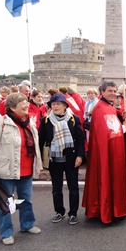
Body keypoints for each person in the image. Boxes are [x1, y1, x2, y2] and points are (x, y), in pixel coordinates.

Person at [0, 93, 43, 245]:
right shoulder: (0, 123)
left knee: (26, 200)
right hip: (6, 171)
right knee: (6, 203)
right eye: (21, 102)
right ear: (11, 107)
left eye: (26, 101)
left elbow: (35, 146)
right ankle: (6, 233)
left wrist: (38, 166)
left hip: (26, 169)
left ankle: (27, 224)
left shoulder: (28, 122)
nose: (26, 104)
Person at [82, 81, 126, 224]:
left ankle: (116, 208)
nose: (113, 93)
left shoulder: (108, 107)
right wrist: (124, 127)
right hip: (106, 153)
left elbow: (112, 120)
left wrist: (122, 115)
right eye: (110, 91)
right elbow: (109, 132)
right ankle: (108, 210)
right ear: (102, 92)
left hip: (114, 152)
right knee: (106, 177)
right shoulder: (101, 109)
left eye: (115, 91)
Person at [39, 93, 85, 225]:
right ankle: (59, 211)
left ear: (65, 105)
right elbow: (41, 141)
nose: (55, 106)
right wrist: (41, 160)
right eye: (53, 104)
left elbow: (81, 139)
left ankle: (73, 213)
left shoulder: (73, 119)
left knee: (73, 188)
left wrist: (80, 156)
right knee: (56, 188)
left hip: (71, 158)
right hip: (54, 160)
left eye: (58, 104)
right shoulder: (46, 120)